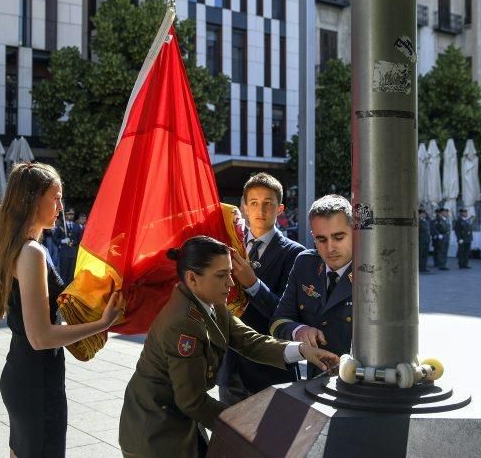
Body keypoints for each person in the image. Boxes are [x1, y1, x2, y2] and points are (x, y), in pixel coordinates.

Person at [119, 236, 338, 458]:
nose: (231, 283)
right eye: (221, 275)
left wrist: (302, 350)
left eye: (229, 273)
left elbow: (250, 341)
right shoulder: (183, 324)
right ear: (193, 278)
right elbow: (192, 401)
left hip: (177, 419)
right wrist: (244, 424)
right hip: (153, 430)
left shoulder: (211, 301)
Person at [0, 162, 123, 458]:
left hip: (23, 373)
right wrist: (103, 322)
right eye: (55, 198)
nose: (60, 206)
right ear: (32, 200)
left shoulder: (15, 246)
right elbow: (41, 337)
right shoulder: (31, 252)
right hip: (37, 383)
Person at [218, 172, 305, 405]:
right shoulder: (228, 248)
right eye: (254, 203)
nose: (261, 210)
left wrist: (253, 284)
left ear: (280, 209)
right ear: (244, 207)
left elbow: (287, 315)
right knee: (229, 437)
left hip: (271, 370)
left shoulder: (296, 254)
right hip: (231, 368)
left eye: (268, 204)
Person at [270, 194, 354, 376]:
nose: (330, 248)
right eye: (321, 239)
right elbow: (278, 322)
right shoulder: (305, 264)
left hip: (361, 385)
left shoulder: (372, 272)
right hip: (318, 381)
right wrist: (299, 331)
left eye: (338, 237)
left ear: (354, 231)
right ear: (313, 237)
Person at [58, 208, 82, 283]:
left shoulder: (77, 226)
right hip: (64, 252)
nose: (71, 216)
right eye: (69, 214)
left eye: (72, 214)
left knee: (71, 275)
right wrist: (62, 241)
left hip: (73, 252)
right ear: (65, 215)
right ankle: (62, 291)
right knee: (64, 274)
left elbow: (79, 239)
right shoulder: (61, 226)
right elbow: (55, 238)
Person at [418, 208, 431, 273]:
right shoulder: (418, 221)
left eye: (425, 214)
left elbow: (429, 218)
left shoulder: (426, 221)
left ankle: (424, 266)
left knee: (425, 254)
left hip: (427, 240)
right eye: (423, 214)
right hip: (421, 240)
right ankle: (419, 267)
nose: (424, 215)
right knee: (421, 254)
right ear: (419, 214)